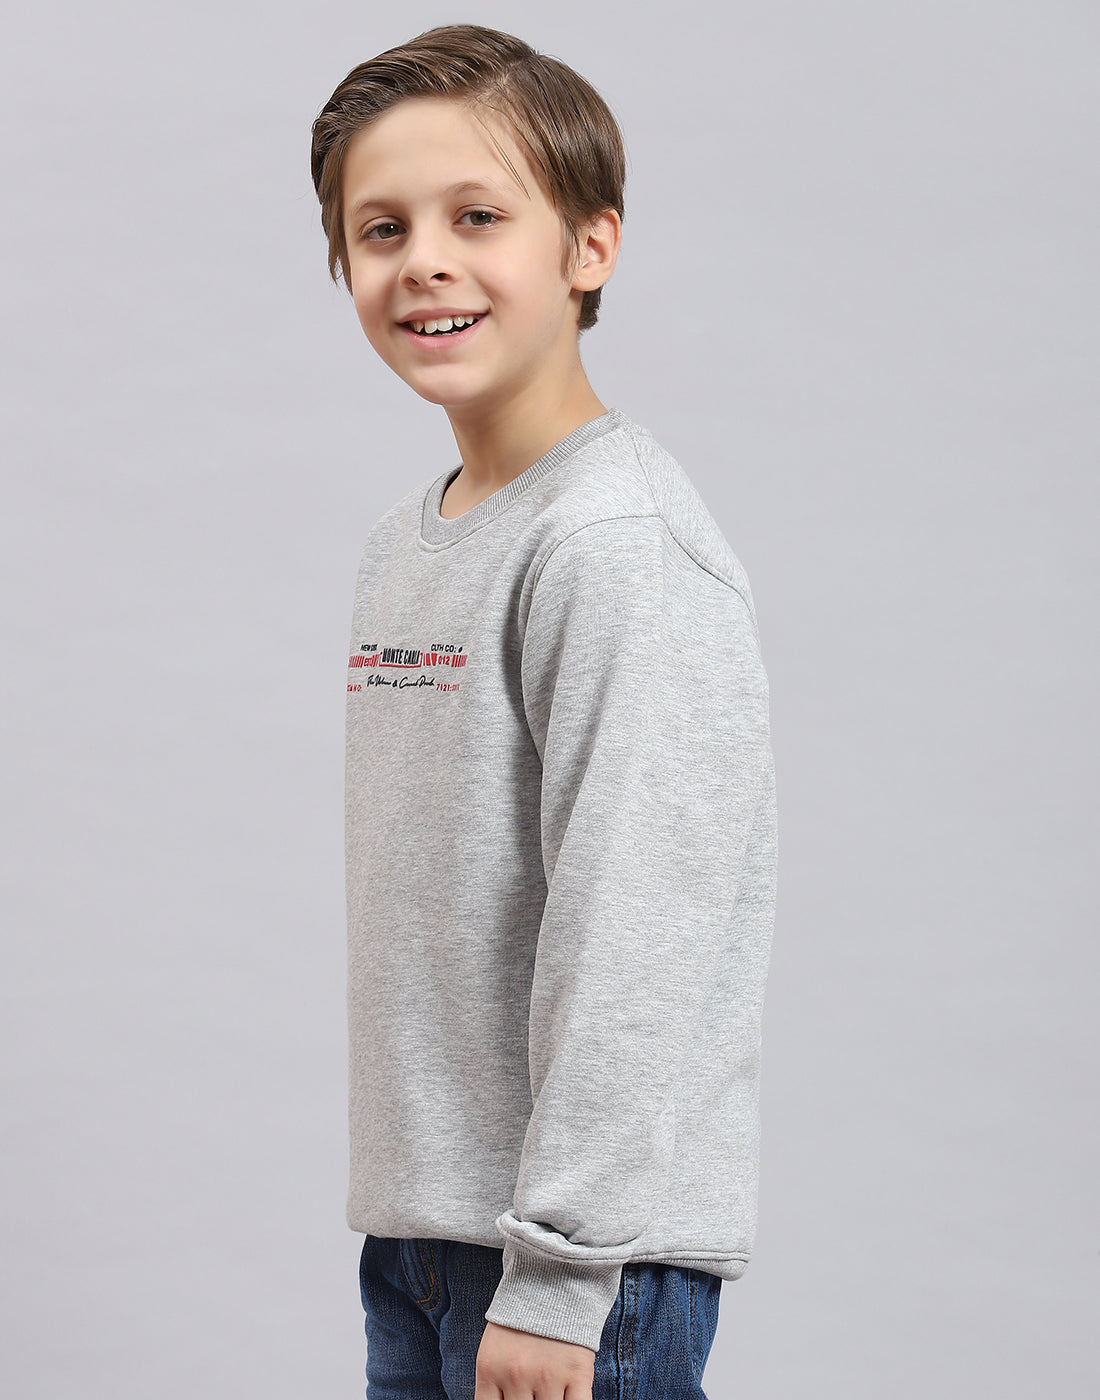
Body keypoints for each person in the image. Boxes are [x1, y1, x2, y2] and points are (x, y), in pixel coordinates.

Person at [310, 23, 778, 1400]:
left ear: (590, 246)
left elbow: (640, 924)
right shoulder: (408, 542)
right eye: (381, 228)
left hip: (577, 1270)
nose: (424, 261)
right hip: (426, 1238)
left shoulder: (613, 543)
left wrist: (564, 1270)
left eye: (478, 216)